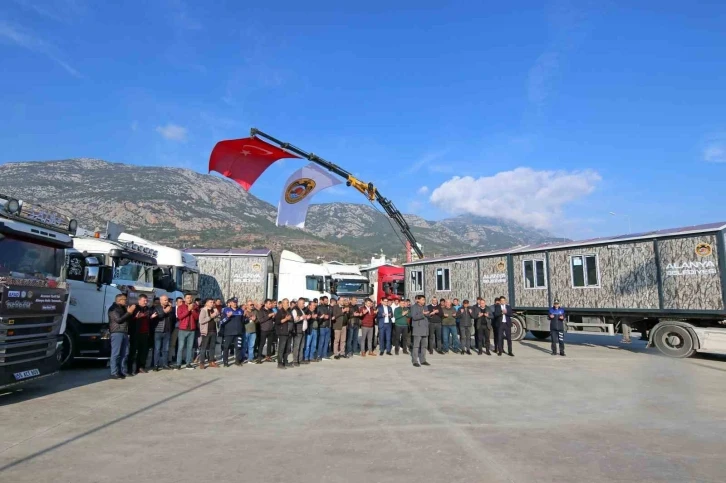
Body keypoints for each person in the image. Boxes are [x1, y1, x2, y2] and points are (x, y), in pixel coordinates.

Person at [108, 293, 135, 379]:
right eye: (124, 299)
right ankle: (114, 372)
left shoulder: (123, 308)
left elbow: (126, 319)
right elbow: (118, 320)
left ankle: (122, 370)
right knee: (116, 353)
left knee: (125, 352)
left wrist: (130, 314)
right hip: (116, 332)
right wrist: (129, 312)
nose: (126, 301)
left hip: (124, 332)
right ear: (119, 300)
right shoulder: (113, 309)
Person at [129, 294, 153, 374]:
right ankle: (130, 369)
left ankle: (140, 367)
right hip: (136, 333)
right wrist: (136, 317)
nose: (146, 302)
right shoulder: (135, 308)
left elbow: (149, 319)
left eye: (146, 301)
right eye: (144, 301)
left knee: (143, 352)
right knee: (133, 351)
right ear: (139, 301)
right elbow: (129, 320)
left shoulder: (148, 309)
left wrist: (151, 317)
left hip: (145, 333)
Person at [175, 293, 199, 369]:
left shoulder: (195, 306)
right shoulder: (180, 307)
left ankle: (188, 363)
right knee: (181, 347)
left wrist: (192, 310)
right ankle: (178, 363)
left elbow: (196, 317)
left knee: (190, 347)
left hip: (191, 330)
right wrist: (188, 310)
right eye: (188, 298)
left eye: (190, 298)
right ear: (184, 299)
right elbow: (180, 317)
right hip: (183, 329)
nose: (189, 299)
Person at [151, 295, 174, 371]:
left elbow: (173, 318)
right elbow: (159, 316)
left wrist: (170, 309)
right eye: (165, 300)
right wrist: (165, 311)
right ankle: (156, 365)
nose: (166, 301)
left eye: (167, 300)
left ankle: (165, 364)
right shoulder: (156, 308)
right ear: (160, 301)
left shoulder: (170, 308)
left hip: (167, 331)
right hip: (158, 330)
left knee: (166, 349)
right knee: (157, 349)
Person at [220, 298, 244, 367]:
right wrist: (228, 317)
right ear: (230, 303)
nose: (235, 303)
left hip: (238, 333)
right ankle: (225, 362)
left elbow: (242, 321)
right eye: (233, 302)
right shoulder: (225, 310)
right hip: (229, 333)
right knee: (226, 347)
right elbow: (221, 322)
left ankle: (237, 361)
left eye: (236, 302)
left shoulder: (240, 310)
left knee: (238, 347)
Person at [198, 298, 220, 369]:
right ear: (207, 303)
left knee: (212, 347)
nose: (212, 303)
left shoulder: (215, 310)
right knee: (203, 347)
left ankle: (211, 361)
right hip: (206, 331)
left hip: (214, 331)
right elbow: (201, 321)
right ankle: (202, 362)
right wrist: (211, 316)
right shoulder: (203, 310)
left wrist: (216, 317)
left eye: (213, 302)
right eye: (211, 302)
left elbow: (218, 319)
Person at [411, 295, 430, 367]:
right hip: (418, 329)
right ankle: (415, 361)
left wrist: (429, 314)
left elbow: (427, 315)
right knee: (416, 346)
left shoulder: (425, 307)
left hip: (425, 329)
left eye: (424, 300)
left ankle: (423, 360)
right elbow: (414, 317)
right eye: (422, 300)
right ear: (418, 300)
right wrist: (423, 314)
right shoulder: (414, 307)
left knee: (424, 346)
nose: (424, 301)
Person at [274, 299, 292, 369]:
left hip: (288, 332)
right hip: (282, 332)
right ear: (283, 304)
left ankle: (285, 361)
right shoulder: (280, 312)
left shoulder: (288, 311)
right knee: (281, 348)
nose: (288, 304)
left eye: (288, 302)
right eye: (287, 303)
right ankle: (279, 363)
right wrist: (286, 319)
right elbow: (277, 322)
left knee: (287, 348)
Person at [291, 298, 307, 367]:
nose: (304, 304)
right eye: (303, 303)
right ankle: (295, 360)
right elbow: (294, 320)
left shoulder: (301, 310)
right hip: (298, 331)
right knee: (296, 346)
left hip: (302, 330)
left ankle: (300, 359)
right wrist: (301, 318)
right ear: (299, 303)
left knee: (301, 346)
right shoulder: (295, 310)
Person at [316, 296, 332, 361]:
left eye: (327, 301)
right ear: (322, 301)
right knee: (321, 342)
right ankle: (319, 355)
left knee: (326, 342)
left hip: (328, 326)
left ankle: (324, 355)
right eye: (325, 301)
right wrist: (322, 317)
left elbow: (331, 315)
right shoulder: (319, 307)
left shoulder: (329, 307)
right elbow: (317, 317)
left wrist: (329, 316)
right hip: (322, 326)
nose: (326, 302)